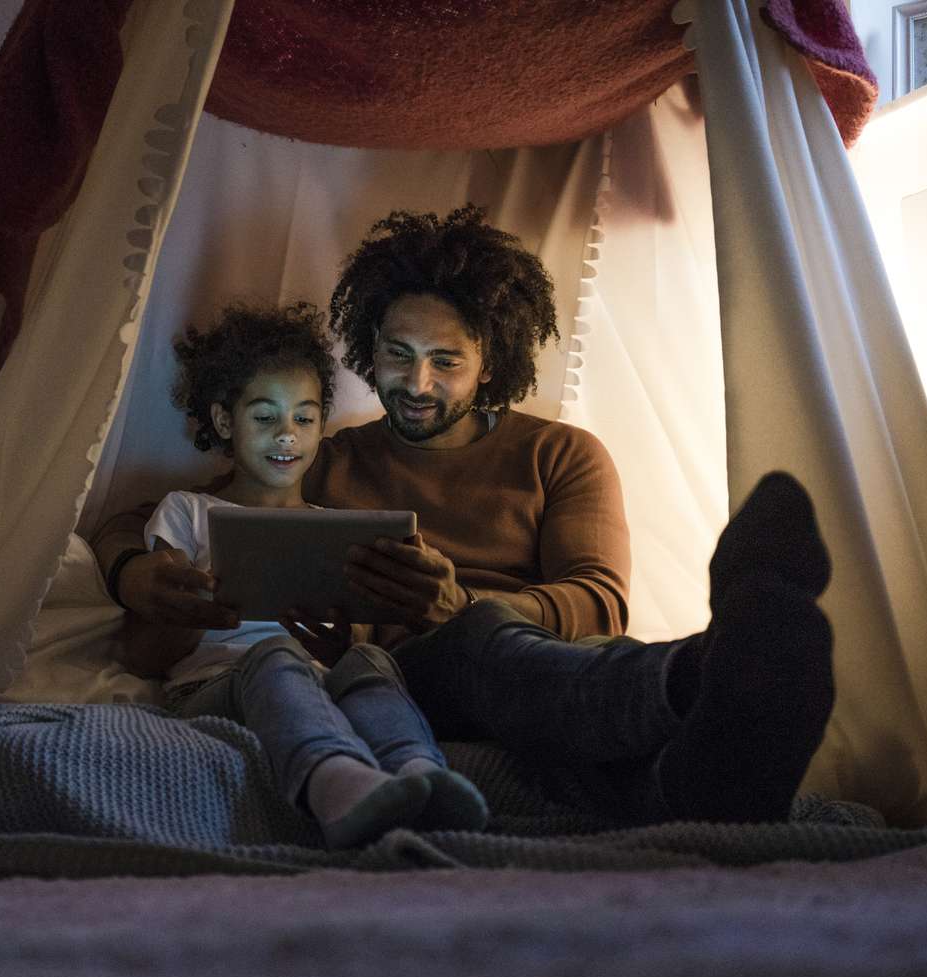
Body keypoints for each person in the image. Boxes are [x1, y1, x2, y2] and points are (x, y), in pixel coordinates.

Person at [97, 206, 834, 825]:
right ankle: (706, 672)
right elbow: (155, 519)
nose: (416, 383)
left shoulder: (560, 455)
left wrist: (462, 604)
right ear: (369, 352)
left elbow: (598, 602)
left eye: (446, 361)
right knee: (470, 646)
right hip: (397, 681)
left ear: (492, 361)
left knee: (493, 655)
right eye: (396, 355)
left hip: (525, 669)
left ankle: (701, 770)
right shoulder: (325, 457)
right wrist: (137, 574)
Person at [132, 301, 489, 850]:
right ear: (225, 420)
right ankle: (335, 786)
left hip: (315, 682)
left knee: (372, 661)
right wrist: (195, 609)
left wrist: (346, 640)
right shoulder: (187, 511)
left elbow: (354, 641)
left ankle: (419, 773)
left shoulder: (332, 528)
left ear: (322, 425)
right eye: (265, 417)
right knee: (272, 654)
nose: (286, 436)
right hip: (212, 688)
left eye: (303, 418)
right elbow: (150, 646)